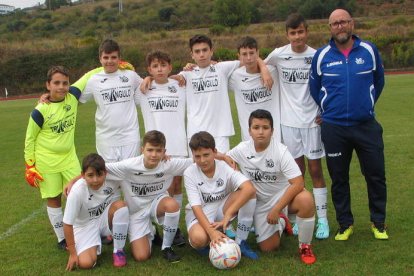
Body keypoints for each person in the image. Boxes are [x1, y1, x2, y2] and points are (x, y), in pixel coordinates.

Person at [310, 9, 387, 241]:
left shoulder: (369, 51)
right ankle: (345, 224)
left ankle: (379, 223)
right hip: (334, 129)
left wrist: (366, 105)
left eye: (343, 22)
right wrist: (328, 109)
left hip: (365, 125)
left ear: (351, 24)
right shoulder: (322, 55)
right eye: (335, 24)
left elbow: (379, 81)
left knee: (375, 175)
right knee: (339, 178)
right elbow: (315, 89)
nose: (340, 27)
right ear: (330, 28)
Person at [265, 13, 329, 239]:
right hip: (289, 124)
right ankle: (292, 217)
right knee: (296, 173)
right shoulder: (279, 54)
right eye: (293, 33)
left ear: (307, 32)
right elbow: (260, 64)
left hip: (312, 122)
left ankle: (322, 219)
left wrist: (324, 110)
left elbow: (328, 84)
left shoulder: (317, 55)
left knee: (315, 170)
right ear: (287, 35)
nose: (297, 36)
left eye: (301, 32)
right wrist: (264, 69)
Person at [224, 109, 317, 265]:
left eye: (265, 128)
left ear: (272, 131)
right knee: (269, 248)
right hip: (258, 202)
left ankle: (305, 246)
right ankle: (280, 222)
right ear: (249, 131)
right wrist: (226, 160)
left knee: (306, 199)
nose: (261, 132)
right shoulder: (242, 149)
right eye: (256, 127)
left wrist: (276, 209)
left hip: (282, 198)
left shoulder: (280, 152)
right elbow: (225, 157)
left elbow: (298, 182)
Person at [105, 130, 193, 263]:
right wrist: (74, 180)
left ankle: (167, 247)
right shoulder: (128, 166)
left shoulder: (169, 164)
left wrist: (224, 157)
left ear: (164, 151)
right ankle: (150, 231)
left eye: (158, 150)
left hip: (157, 205)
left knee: (172, 205)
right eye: (150, 150)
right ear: (142, 150)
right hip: (136, 212)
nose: (154, 155)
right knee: (141, 256)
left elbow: (197, 159)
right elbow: (98, 168)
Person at [178, 34, 273, 154]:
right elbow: (168, 79)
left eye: (205, 50)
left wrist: (264, 69)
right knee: (197, 169)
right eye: (197, 51)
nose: (201, 54)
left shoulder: (222, 68)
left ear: (211, 51)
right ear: (192, 54)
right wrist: (150, 79)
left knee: (222, 169)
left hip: (220, 132)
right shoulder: (186, 74)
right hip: (195, 131)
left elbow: (248, 60)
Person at [24, 66, 81, 250]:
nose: (61, 87)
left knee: (80, 192)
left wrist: (118, 64)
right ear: (48, 85)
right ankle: (61, 239)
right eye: (56, 83)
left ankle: (86, 231)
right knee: (54, 197)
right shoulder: (40, 110)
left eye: (65, 83)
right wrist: (30, 166)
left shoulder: (72, 97)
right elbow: (30, 139)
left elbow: (89, 76)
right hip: (46, 161)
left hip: (69, 158)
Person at [184, 131, 258, 259]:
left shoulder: (224, 167)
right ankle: (208, 240)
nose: (202, 160)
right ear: (193, 155)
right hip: (199, 213)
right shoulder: (189, 173)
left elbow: (249, 189)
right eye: (197, 156)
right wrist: (211, 232)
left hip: (222, 209)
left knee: (248, 194)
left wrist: (228, 215)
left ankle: (241, 241)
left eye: (206, 155)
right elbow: (196, 208)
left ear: (214, 152)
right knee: (199, 239)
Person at [139, 50, 188, 246]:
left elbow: (198, 70)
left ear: (169, 66)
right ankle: (154, 227)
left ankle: (174, 228)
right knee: (159, 188)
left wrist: (184, 72)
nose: (159, 69)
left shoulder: (180, 85)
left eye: (163, 65)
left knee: (176, 186)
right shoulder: (143, 88)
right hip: (156, 147)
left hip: (178, 144)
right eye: (155, 66)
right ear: (149, 70)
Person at [63, 153, 129, 270]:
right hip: (84, 226)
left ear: (105, 173)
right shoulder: (77, 191)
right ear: (82, 175)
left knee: (121, 206)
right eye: (90, 175)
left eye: (99, 175)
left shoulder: (114, 177)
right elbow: (67, 224)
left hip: (103, 219)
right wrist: (73, 253)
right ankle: (95, 241)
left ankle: (118, 251)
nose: (95, 180)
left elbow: (138, 165)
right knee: (85, 263)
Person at [229, 36, 281, 142]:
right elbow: (215, 70)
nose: (248, 58)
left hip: (274, 135)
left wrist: (263, 68)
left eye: (252, 53)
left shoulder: (274, 71)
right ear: (239, 56)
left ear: (258, 53)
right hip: (249, 137)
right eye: (244, 54)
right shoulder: (235, 76)